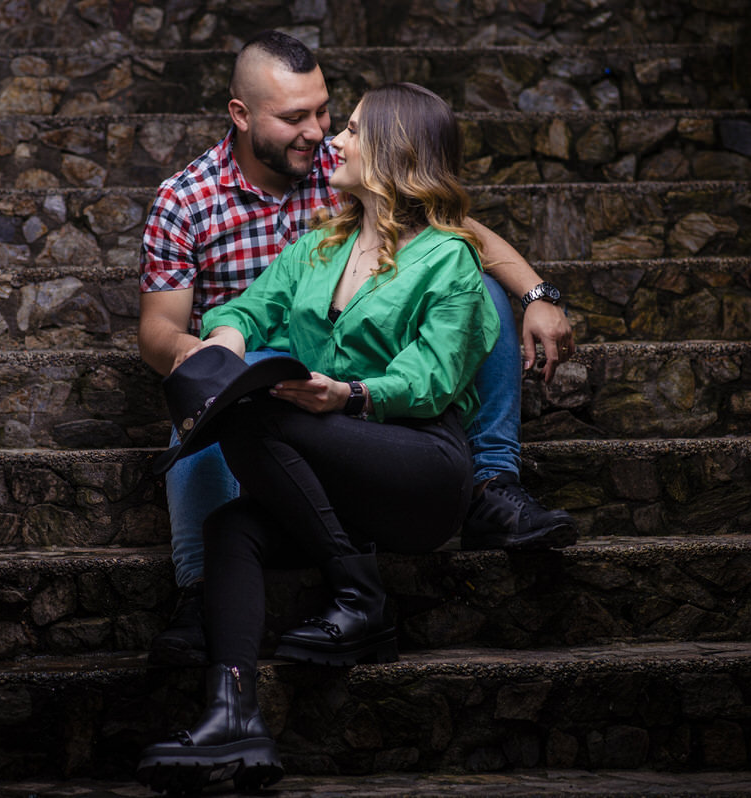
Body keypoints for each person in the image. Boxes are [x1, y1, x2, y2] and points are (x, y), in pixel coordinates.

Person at [139, 31, 577, 666]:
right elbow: (158, 330)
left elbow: (453, 231)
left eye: (325, 113)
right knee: (229, 395)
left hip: (370, 364)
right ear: (241, 116)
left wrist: (538, 291)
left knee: (481, 286)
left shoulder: (339, 164)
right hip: (259, 348)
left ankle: (492, 482)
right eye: (296, 118)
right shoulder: (186, 200)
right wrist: (207, 351)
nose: (319, 133)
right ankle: (200, 591)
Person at [138, 82, 502, 795]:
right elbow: (247, 305)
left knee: (255, 415)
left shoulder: (448, 259)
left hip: (419, 467)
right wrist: (228, 338)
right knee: (232, 525)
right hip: (333, 478)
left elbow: (432, 377)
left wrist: (350, 393)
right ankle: (231, 716)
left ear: (396, 151)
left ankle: (359, 594)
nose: (334, 140)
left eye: (355, 131)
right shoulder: (317, 248)